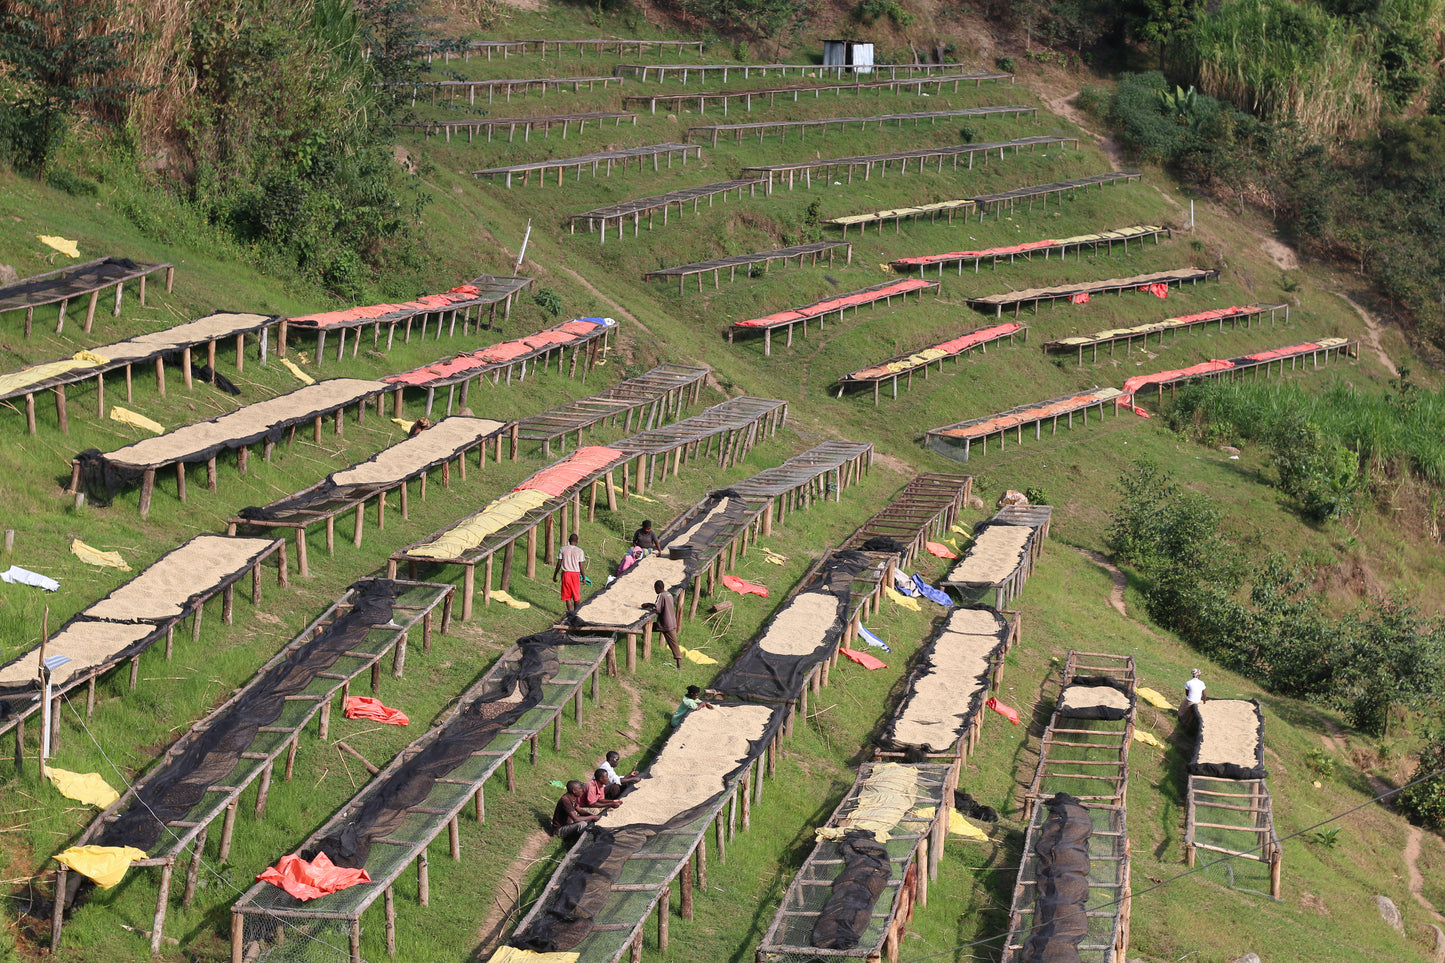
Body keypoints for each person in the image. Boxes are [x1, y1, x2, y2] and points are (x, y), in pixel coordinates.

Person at [650, 580, 683, 668]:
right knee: (674, 643)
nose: (655, 590)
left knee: (648, 628)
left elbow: (658, 609)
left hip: (664, 624)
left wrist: (649, 606)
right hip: (672, 622)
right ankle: (679, 663)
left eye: (655, 588)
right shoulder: (669, 594)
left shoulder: (661, 595)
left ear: (658, 587)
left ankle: (644, 642)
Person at [553, 533, 587, 613]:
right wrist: (583, 577)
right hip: (575, 575)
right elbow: (581, 565)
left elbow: (558, 564)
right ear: (577, 541)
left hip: (566, 574)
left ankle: (570, 613)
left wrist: (555, 575)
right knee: (576, 595)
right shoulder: (580, 551)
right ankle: (576, 613)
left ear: (569, 541)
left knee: (567, 595)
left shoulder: (563, 549)